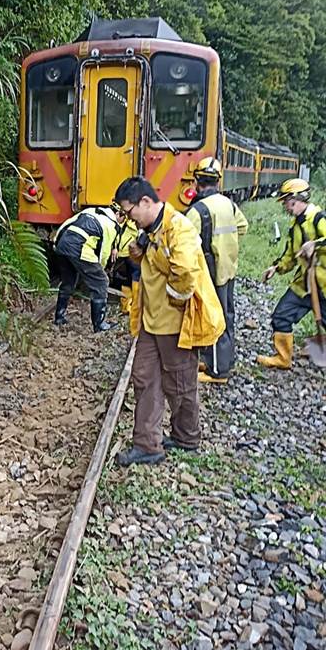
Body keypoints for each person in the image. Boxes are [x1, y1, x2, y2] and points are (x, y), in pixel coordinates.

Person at [113, 177, 225, 465]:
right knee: (144, 378)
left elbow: (185, 273)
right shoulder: (151, 230)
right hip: (152, 323)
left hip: (175, 323)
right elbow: (157, 266)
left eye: (129, 212)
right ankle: (148, 445)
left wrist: (174, 302)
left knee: (179, 382)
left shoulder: (179, 228)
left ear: (146, 203)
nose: (129, 219)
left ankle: (186, 436)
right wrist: (139, 256)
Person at [185, 157, 248, 383]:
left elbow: (183, 241)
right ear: (218, 181)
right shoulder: (228, 204)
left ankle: (218, 370)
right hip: (229, 268)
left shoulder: (198, 210)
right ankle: (225, 359)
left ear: (197, 181)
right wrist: (227, 243)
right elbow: (243, 226)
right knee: (227, 314)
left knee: (213, 317)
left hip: (211, 271)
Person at [257, 178, 326, 369]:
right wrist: (276, 268)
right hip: (305, 285)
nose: (286, 207)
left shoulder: (319, 218)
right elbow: (290, 255)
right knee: (281, 316)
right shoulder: (295, 226)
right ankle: (283, 358)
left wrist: (316, 244)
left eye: (287, 202)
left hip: (324, 285)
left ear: (297, 199)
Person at [53, 206, 119, 332]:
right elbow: (104, 253)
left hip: (63, 244)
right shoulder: (111, 225)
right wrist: (101, 270)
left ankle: (59, 317)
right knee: (101, 282)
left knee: (68, 281)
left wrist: (57, 242)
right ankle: (99, 325)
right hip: (79, 248)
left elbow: (67, 224)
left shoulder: (91, 211)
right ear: (118, 215)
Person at [110, 206, 140, 316]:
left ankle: (129, 307)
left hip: (128, 255)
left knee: (128, 280)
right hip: (127, 255)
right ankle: (131, 307)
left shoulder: (128, 223)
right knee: (131, 279)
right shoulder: (131, 222)